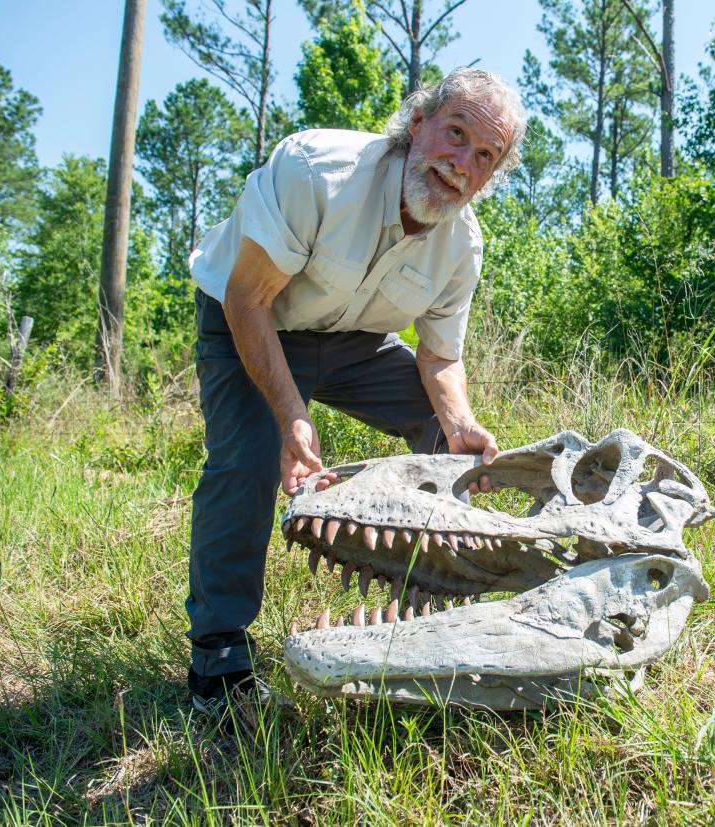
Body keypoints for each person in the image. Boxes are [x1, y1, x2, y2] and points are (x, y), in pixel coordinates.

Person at [183, 67, 527, 723]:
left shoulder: (463, 245)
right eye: (456, 135)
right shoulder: (318, 170)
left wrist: (460, 422)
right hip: (249, 318)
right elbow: (247, 298)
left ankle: (437, 609)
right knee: (248, 461)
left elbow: (438, 355)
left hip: (352, 339)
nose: (461, 164)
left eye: (484, 156)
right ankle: (218, 658)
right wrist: (291, 416)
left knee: (446, 436)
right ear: (417, 121)